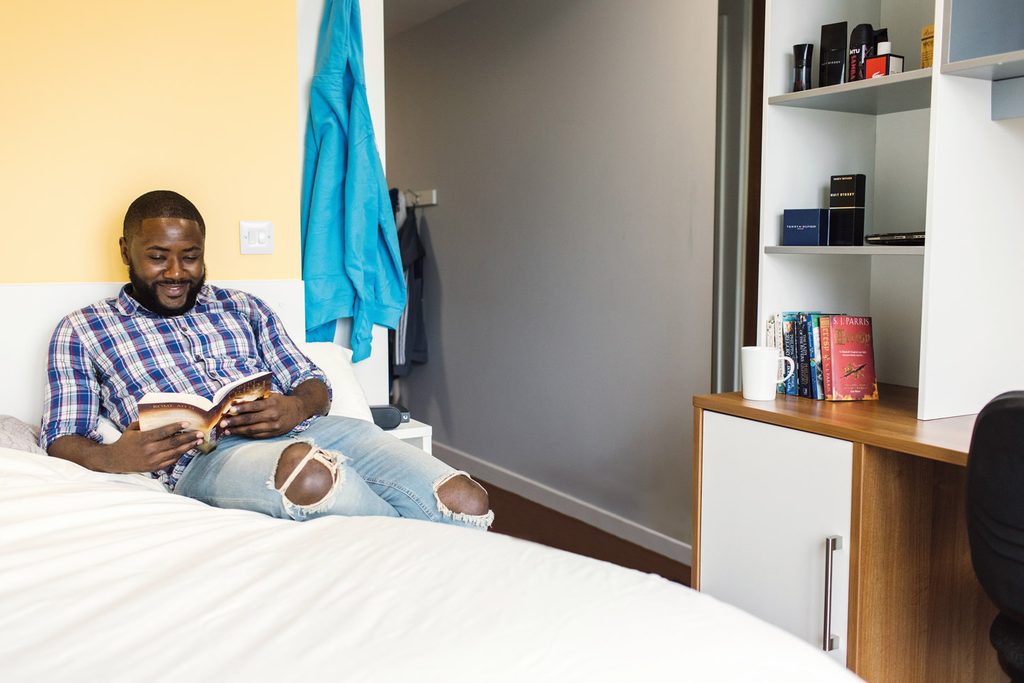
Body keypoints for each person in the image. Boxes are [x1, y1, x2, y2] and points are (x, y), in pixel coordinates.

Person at [41, 190, 493, 529]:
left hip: (317, 430)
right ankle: (423, 564)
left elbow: (313, 382)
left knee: (466, 499)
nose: (176, 272)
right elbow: (62, 437)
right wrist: (116, 458)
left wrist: (295, 406)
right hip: (206, 459)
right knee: (311, 477)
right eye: (157, 258)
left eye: (190, 257)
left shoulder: (244, 307)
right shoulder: (83, 329)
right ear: (126, 252)